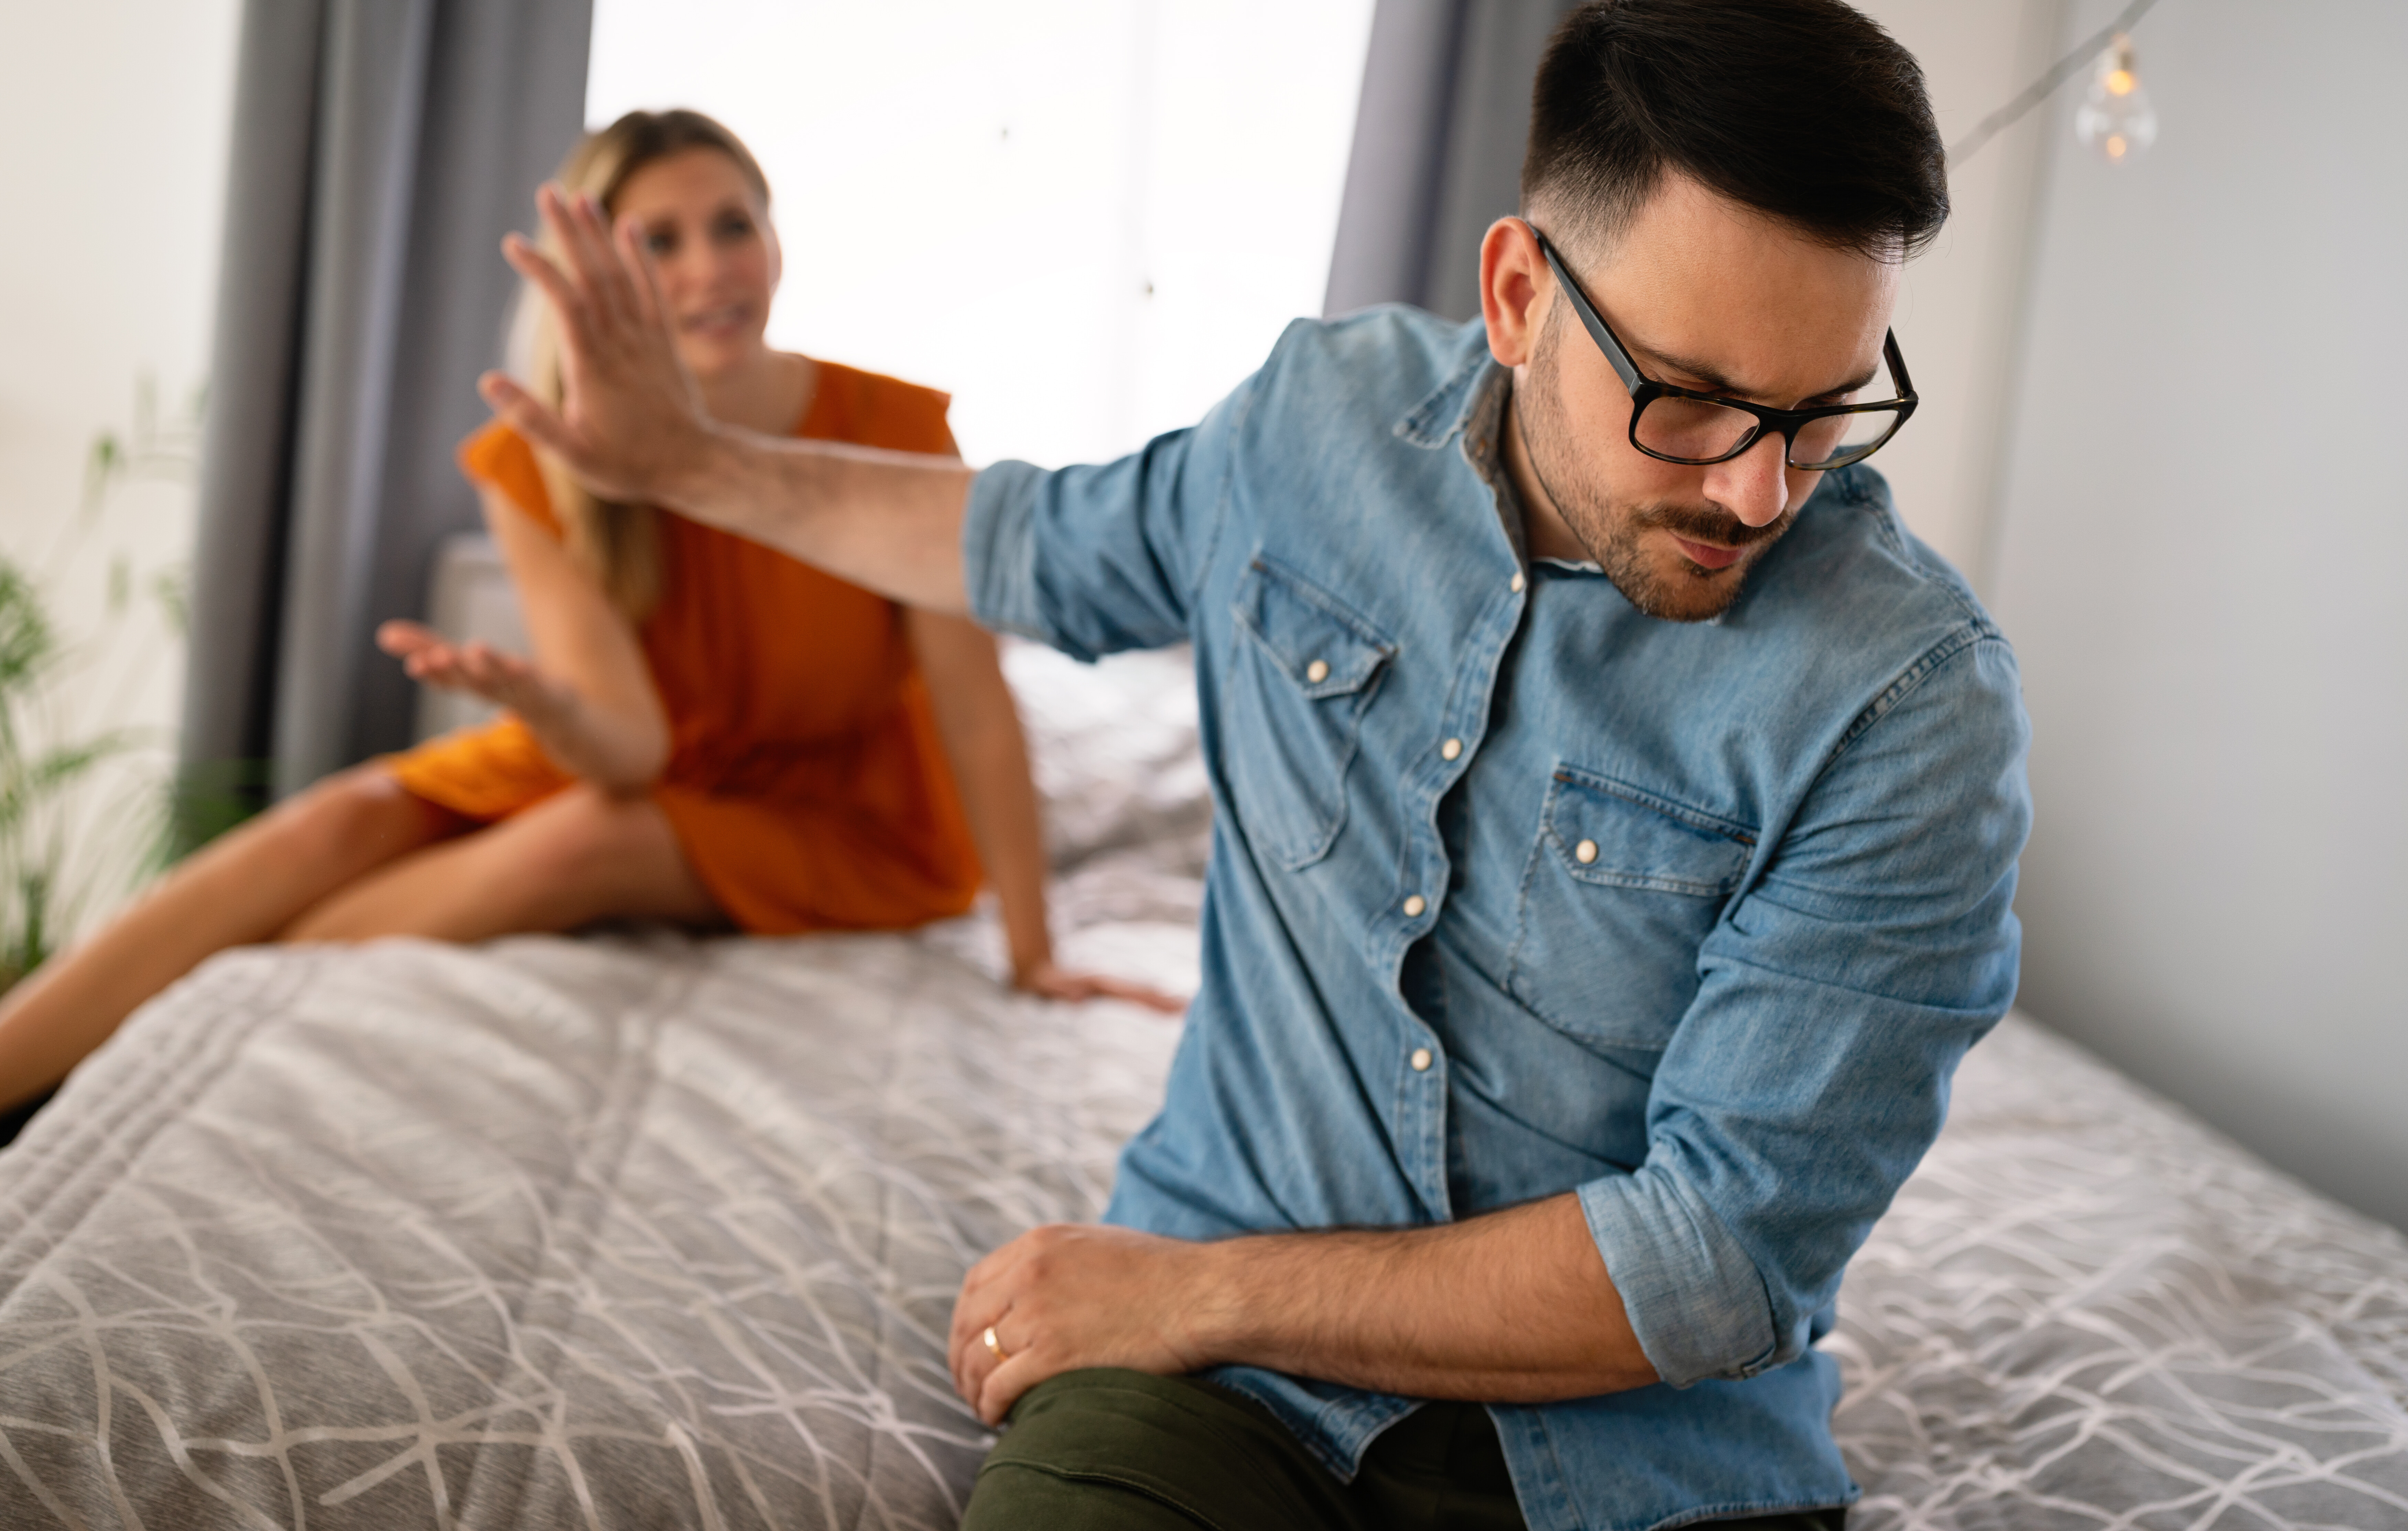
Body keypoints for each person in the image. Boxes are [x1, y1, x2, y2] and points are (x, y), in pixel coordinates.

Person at [486, 4, 2030, 1527]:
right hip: (1211, 1408)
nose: (1758, 494)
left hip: (1641, 1472)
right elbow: (1020, 541)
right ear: (1518, 296)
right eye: (1687, 401)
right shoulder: (1316, 428)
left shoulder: (1907, 702)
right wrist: (686, 464)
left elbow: (1716, 1264)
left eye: (1822, 414)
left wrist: (1197, 1294)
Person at [0, 108, 1174, 1128]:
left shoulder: (892, 430)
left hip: (837, 809)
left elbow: (974, 705)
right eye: (659, 241)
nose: (711, 268)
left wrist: (1033, 950)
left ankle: (178, 1020)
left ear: (776, 243)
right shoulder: (539, 458)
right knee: (338, 819)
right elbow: (631, 750)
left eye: (734, 225)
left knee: (584, 845)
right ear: (592, 278)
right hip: (624, 756)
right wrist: (538, 704)